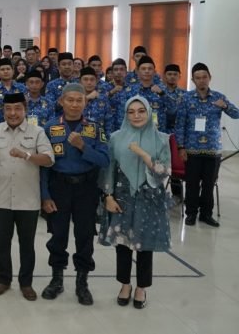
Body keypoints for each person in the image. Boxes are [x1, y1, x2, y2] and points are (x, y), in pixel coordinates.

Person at [40, 83, 109, 306]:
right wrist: (45, 195)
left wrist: (83, 147)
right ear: (61, 101)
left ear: (85, 102)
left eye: (79, 100)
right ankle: (56, 279)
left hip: (86, 189)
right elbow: (44, 166)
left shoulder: (94, 128)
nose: (74, 104)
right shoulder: (50, 127)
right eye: (70, 100)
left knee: (85, 235)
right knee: (58, 235)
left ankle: (82, 282)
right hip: (58, 187)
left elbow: (104, 160)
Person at [99, 96, 171, 309]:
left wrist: (144, 155)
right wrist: (108, 196)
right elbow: (109, 169)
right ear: (125, 114)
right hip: (122, 196)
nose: (136, 115)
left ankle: (141, 288)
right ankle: (125, 285)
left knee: (144, 245)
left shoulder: (162, 139)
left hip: (150, 198)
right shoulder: (116, 138)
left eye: (141, 111)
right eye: (131, 112)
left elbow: (164, 171)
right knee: (122, 244)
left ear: (149, 112)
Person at [0, 93, 54, 300]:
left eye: (17, 109)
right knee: (2, 243)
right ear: (3, 110)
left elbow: (49, 159)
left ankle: (26, 283)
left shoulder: (37, 132)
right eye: (8, 109)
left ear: (25, 110)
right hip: (1, 197)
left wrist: (26, 155)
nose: (12, 113)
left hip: (28, 199)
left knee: (27, 245)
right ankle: (3, 279)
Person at [175, 63, 239, 227]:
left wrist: (225, 106)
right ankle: (191, 214)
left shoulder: (218, 97)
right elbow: (180, 124)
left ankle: (206, 214)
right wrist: (180, 147)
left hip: (212, 149)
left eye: (204, 77)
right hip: (192, 149)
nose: (201, 80)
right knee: (192, 184)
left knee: (209, 185)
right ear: (193, 80)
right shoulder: (186, 98)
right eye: (198, 78)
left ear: (209, 78)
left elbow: (236, 114)